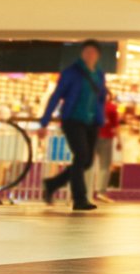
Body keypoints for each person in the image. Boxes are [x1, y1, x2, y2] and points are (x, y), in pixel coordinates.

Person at [40, 40, 108, 211]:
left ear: (98, 55)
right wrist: (44, 121)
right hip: (73, 119)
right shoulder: (71, 72)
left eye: (93, 52)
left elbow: (100, 98)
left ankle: (53, 183)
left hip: (92, 122)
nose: (89, 55)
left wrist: (102, 117)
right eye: (86, 52)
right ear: (81, 54)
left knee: (87, 162)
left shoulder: (99, 74)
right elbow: (56, 96)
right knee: (81, 156)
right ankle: (80, 199)